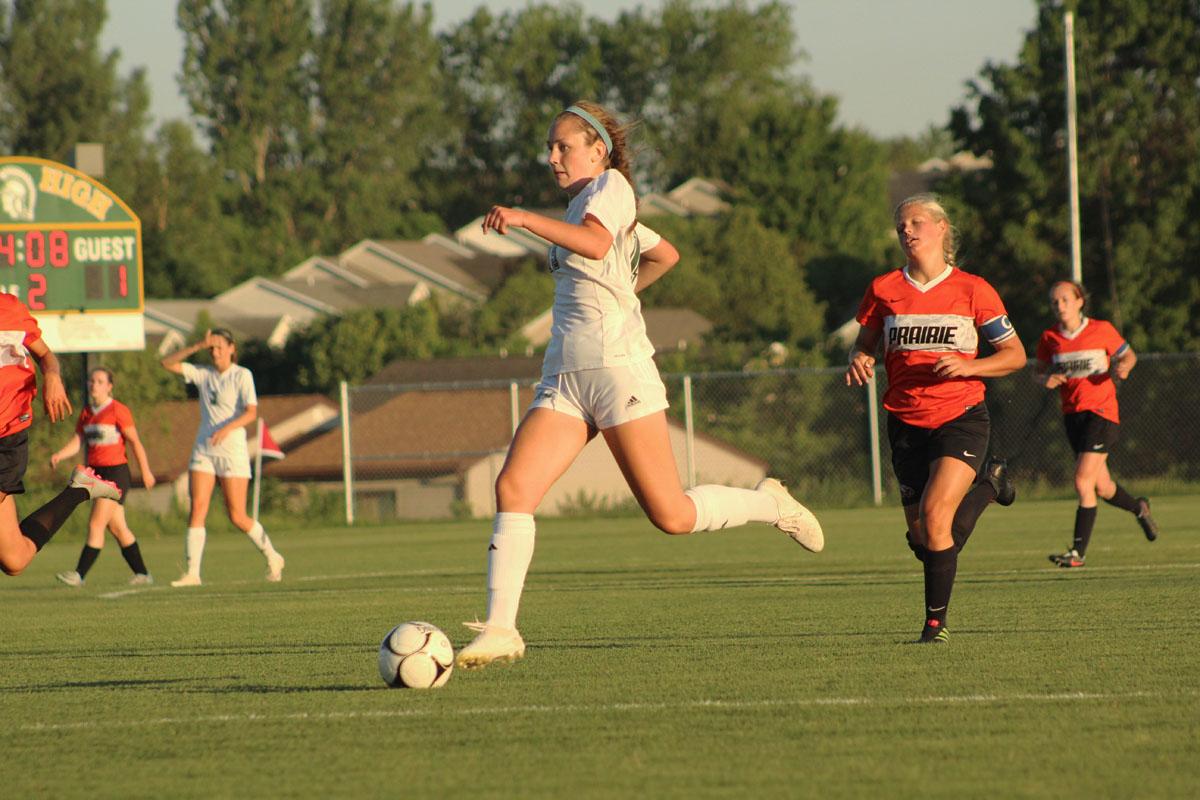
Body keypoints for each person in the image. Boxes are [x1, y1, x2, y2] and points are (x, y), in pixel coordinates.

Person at [456, 101, 824, 669]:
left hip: (617, 370)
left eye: (563, 146)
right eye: (549, 148)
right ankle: (503, 628)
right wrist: (627, 290)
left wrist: (528, 219)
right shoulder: (584, 203)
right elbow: (662, 254)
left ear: (598, 150)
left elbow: (601, 246)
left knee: (671, 515)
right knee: (513, 490)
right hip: (565, 377)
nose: (551, 156)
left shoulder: (611, 188)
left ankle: (768, 504)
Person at [845, 193, 1025, 644]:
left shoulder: (972, 289)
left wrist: (971, 366)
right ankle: (991, 485)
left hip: (960, 416)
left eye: (916, 222)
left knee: (936, 515)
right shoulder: (884, 289)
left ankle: (934, 626)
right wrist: (860, 359)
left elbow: (1015, 356)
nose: (907, 230)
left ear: (941, 228)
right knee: (925, 538)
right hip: (905, 421)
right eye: (901, 224)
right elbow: (864, 344)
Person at [1035, 280, 1158, 568]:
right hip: (1073, 416)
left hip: (1101, 413)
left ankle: (1077, 553)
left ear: (1080, 301)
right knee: (1102, 486)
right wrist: (1046, 379)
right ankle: (1139, 508)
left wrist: (1124, 365)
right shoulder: (1050, 337)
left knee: (1082, 480)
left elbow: (1128, 354)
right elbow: (1038, 372)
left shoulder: (1100, 329)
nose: (1060, 306)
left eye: (1065, 299)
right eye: (1055, 302)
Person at [0, 293, 123, 577]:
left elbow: (45, 355)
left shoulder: (9, 309)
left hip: (6, 436)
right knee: (14, 560)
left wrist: (53, 376)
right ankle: (80, 490)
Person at [160, 328, 283, 586]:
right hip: (204, 449)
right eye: (211, 348)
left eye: (219, 347)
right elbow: (166, 363)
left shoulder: (242, 375)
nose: (214, 352)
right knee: (198, 508)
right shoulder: (204, 375)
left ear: (231, 348)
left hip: (232, 451)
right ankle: (193, 573)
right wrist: (196, 345)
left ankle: (273, 556)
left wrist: (226, 429)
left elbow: (251, 412)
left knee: (237, 515)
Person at [50, 367, 156, 587]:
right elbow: (78, 440)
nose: (94, 385)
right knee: (117, 527)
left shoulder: (118, 410)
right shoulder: (87, 412)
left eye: (99, 381)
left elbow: (135, 442)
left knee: (96, 524)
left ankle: (79, 574)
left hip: (116, 473)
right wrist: (60, 454)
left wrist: (145, 471)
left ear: (109, 386)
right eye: (91, 381)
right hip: (96, 474)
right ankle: (143, 574)